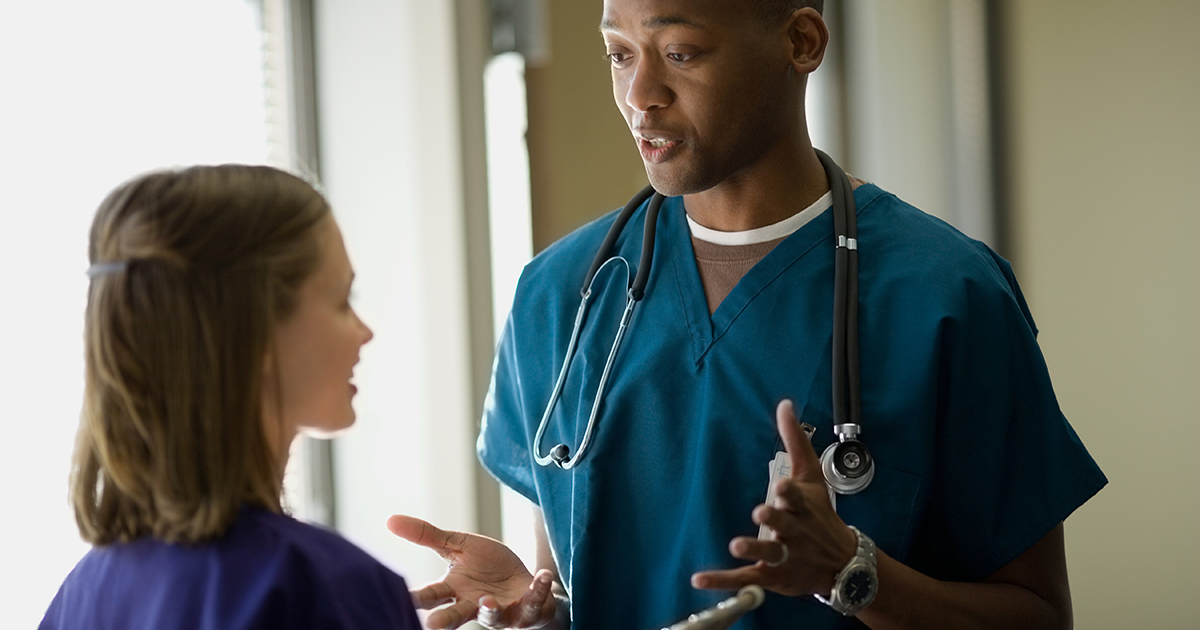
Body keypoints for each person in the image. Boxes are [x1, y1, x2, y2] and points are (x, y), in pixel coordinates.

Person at [389, 1, 1107, 629]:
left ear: (801, 43)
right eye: (618, 54)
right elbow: (581, 586)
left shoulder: (947, 296)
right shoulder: (561, 295)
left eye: (680, 53)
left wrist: (851, 574)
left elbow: (1038, 615)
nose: (640, 95)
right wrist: (539, 613)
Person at [41, 165, 421, 630]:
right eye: (342, 301)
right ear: (256, 334)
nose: (365, 332)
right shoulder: (331, 592)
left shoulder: (79, 598)